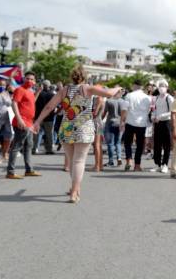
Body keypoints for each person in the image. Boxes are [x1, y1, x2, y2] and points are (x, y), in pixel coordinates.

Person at [32, 66, 120, 203]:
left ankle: (75, 188)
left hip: (66, 127)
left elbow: (49, 106)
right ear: (84, 77)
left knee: (73, 161)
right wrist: (117, 88)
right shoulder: (88, 88)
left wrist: (37, 121)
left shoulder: (64, 90)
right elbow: (109, 93)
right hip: (83, 127)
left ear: (71, 77)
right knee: (79, 160)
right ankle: (74, 191)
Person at [6, 71, 40, 179]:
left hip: (28, 123)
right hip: (22, 122)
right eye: (27, 78)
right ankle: (10, 172)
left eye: (31, 79)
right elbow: (14, 103)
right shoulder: (20, 89)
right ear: (24, 79)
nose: (29, 81)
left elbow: (31, 102)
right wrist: (20, 119)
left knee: (28, 146)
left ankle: (29, 170)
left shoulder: (30, 91)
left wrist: (38, 92)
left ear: (34, 81)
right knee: (16, 146)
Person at [120, 80, 152, 171]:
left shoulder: (129, 95)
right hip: (142, 124)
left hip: (130, 122)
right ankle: (137, 165)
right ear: (142, 86)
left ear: (134, 85)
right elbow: (148, 111)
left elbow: (124, 109)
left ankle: (129, 160)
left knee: (128, 143)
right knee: (139, 145)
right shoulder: (147, 98)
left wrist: (122, 121)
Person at [151, 80, 174, 173]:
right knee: (157, 144)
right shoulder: (156, 98)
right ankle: (158, 164)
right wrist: (153, 116)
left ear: (167, 87)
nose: (161, 87)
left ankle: (165, 164)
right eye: (160, 85)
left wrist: (160, 116)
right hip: (157, 123)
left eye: (163, 86)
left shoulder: (169, 98)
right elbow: (154, 109)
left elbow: (172, 112)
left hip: (166, 123)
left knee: (166, 145)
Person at [33, 80, 56, 155]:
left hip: (38, 117)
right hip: (49, 117)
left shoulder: (38, 94)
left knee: (36, 134)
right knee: (49, 134)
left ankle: (34, 148)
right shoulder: (52, 95)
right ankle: (49, 149)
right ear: (49, 86)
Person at [103, 88, 125, 167]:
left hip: (110, 122)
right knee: (118, 142)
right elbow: (125, 113)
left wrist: (101, 120)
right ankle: (119, 158)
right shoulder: (123, 102)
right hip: (120, 123)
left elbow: (104, 113)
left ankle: (111, 161)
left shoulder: (109, 101)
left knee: (110, 143)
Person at [90, 89, 105, 172]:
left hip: (96, 122)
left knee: (96, 145)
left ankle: (97, 166)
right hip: (98, 121)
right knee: (98, 145)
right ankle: (100, 165)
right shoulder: (98, 98)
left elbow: (95, 113)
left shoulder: (99, 99)